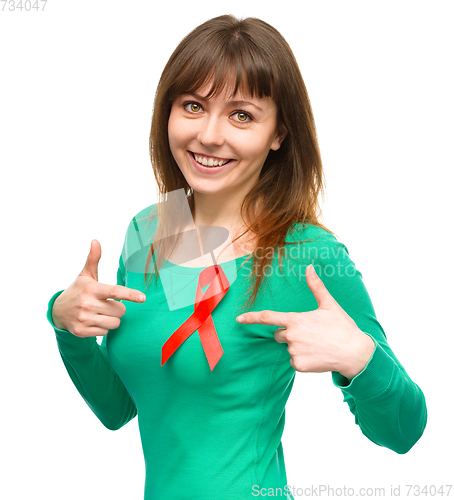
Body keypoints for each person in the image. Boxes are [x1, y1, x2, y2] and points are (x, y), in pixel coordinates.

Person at [47, 14, 427, 500]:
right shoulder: (150, 228)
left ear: (279, 133)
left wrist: (361, 360)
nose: (209, 135)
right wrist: (65, 322)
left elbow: (404, 431)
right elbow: (120, 407)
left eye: (241, 115)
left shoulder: (304, 254)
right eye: (192, 106)